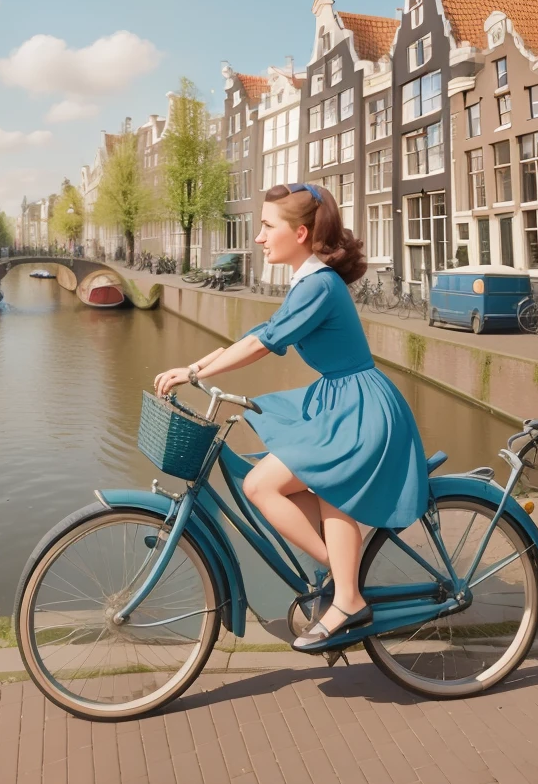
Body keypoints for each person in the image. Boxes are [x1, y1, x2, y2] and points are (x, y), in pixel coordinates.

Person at [153, 183, 427, 650]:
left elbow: (265, 343)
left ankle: (348, 590)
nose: (259, 237)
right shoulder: (309, 280)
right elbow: (263, 330)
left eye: (266, 226)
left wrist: (195, 370)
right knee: (296, 482)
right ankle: (344, 577)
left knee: (261, 484)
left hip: (358, 408)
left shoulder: (318, 284)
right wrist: (208, 359)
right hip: (339, 400)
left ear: (300, 233)